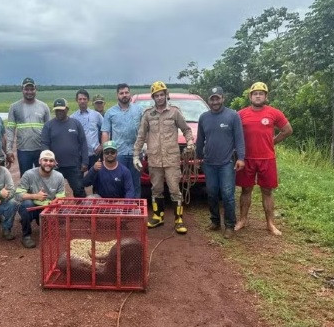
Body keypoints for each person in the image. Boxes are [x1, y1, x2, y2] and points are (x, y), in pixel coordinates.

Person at [133, 81, 194, 234]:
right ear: (153, 98)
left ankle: (178, 219)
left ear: (166, 95)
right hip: (154, 159)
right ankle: (158, 216)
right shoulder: (148, 114)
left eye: (162, 95)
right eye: (156, 95)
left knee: (174, 189)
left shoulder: (174, 112)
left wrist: (190, 142)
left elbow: (186, 130)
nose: (160, 98)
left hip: (171, 159)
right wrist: (136, 155)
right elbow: (141, 136)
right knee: (156, 189)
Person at [235, 82, 293, 235]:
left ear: (266, 96)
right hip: (246, 158)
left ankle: (270, 224)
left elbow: (287, 130)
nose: (258, 96)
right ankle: (242, 220)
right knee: (246, 190)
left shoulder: (274, 113)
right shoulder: (241, 114)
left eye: (261, 93)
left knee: (267, 191)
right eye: (255, 93)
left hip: (267, 158)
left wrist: (272, 141)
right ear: (250, 96)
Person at [196, 86, 245, 239]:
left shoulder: (233, 116)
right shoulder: (204, 117)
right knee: (211, 193)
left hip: (226, 163)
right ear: (209, 100)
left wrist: (241, 158)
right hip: (209, 162)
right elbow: (200, 140)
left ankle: (230, 225)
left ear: (223, 98)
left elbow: (239, 139)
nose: (215, 101)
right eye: (212, 98)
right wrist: (198, 158)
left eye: (218, 98)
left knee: (227, 194)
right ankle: (215, 221)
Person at [16, 150, 66, 248]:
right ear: (39, 161)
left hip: (47, 207)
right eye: (45, 160)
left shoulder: (59, 176)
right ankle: (26, 235)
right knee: (26, 205)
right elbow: (18, 194)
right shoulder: (29, 174)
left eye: (51, 161)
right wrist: (35, 196)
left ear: (55, 163)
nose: (48, 163)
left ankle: (44, 223)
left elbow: (61, 197)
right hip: (33, 206)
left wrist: (55, 206)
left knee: (62, 214)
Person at [101, 83, 144, 197]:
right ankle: (121, 210)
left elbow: (145, 130)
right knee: (118, 182)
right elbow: (105, 132)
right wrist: (106, 153)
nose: (124, 95)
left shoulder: (139, 110)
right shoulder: (110, 112)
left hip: (136, 153)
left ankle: (136, 209)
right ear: (117, 95)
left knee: (136, 183)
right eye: (121, 93)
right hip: (119, 153)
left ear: (130, 94)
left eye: (126, 92)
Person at [41, 98, 88, 198]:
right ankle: (54, 212)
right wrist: (50, 160)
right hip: (55, 166)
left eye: (61, 110)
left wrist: (85, 161)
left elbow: (83, 143)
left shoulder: (76, 123)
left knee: (79, 190)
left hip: (74, 166)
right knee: (53, 192)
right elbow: (45, 144)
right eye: (57, 110)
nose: (59, 112)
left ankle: (82, 212)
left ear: (67, 109)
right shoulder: (48, 125)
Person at [5, 77, 51, 177]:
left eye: (32, 89)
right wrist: (8, 150)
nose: (29, 92)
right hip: (23, 150)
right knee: (26, 178)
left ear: (35, 89)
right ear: (22, 90)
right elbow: (10, 130)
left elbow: (50, 130)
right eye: (26, 89)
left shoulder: (44, 106)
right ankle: (28, 193)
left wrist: (49, 149)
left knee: (44, 177)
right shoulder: (14, 107)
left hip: (41, 149)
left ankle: (43, 193)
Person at [70, 89, 103, 170]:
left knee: (96, 179)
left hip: (94, 153)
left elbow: (106, 130)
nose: (82, 101)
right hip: (79, 155)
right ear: (76, 100)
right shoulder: (72, 118)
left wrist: (102, 145)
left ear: (88, 100)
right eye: (80, 99)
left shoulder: (96, 115)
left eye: (84, 99)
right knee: (79, 180)